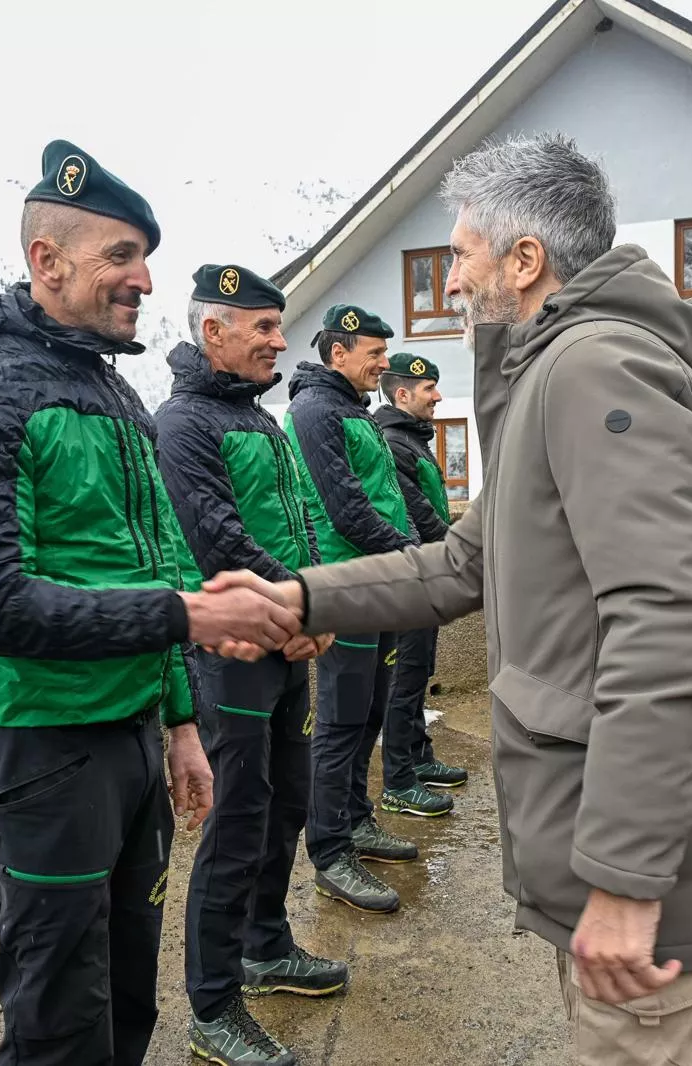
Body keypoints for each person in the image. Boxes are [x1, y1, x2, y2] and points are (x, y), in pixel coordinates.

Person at [211, 132, 692, 1065]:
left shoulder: (594, 369)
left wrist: (627, 878)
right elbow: (461, 563)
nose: (451, 281)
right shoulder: (553, 369)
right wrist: (297, 599)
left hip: (637, 864)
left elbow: (667, 622)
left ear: (525, 260)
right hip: (597, 837)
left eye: (462, 254)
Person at [0, 142, 298, 1066]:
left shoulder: (114, 391)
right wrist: (187, 620)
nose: (144, 279)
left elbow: (154, 560)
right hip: (50, 750)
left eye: (144, 257)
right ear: (47, 260)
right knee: (59, 1008)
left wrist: (180, 722)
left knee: (128, 990)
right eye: (121, 255)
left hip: (130, 738)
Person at [155, 263, 348, 1066]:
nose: (279, 340)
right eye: (263, 327)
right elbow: (217, 540)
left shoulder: (258, 419)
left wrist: (312, 603)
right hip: (229, 656)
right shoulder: (183, 424)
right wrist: (303, 607)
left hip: (285, 645)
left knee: (287, 803)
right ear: (214, 331)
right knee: (236, 825)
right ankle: (213, 1002)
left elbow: (300, 522)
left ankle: (266, 947)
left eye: (278, 325)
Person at [284, 305, 420, 914]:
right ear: (337, 353)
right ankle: (330, 851)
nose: (384, 364)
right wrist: (413, 555)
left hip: (378, 584)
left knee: (369, 714)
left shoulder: (352, 410)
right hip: (347, 586)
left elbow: (382, 498)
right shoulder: (315, 411)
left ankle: (357, 819)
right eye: (375, 353)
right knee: (339, 725)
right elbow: (345, 511)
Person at [373, 353, 469, 817]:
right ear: (402, 394)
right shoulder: (393, 443)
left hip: (425, 574)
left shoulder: (411, 438)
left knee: (418, 671)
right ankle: (398, 781)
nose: (438, 396)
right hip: (411, 577)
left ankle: (418, 756)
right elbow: (420, 515)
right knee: (404, 679)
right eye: (429, 388)